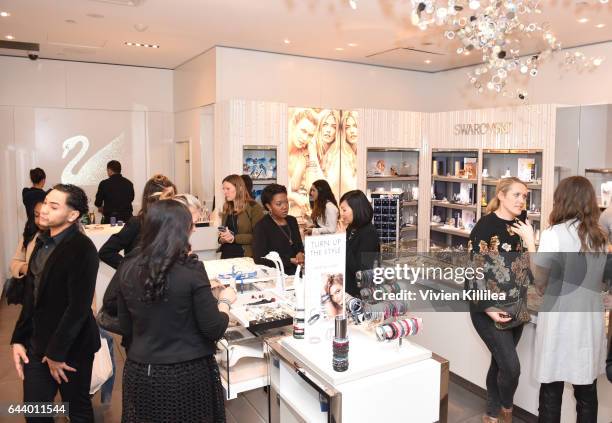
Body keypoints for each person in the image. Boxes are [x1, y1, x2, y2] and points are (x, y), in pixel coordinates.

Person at [115, 200, 236, 422]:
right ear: (182, 229)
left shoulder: (128, 267)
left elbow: (125, 324)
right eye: (191, 224)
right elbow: (214, 328)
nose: (194, 229)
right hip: (188, 375)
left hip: (141, 372)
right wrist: (225, 302)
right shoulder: (191, 270)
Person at [515, 176, 608, 422]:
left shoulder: (553, 234)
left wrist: (529, 243)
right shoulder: (599, 237)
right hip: (590, 320)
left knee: (551, 389)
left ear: (561, 200)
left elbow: (540, 281)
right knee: (586, 392)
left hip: (560, 320)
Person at [11, 184, 101, 423]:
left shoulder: (83, 248)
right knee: (36, 414)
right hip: (37, 345)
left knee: (77, 410)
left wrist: (56, 353)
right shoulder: (41, 242)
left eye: (53, 206)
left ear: (72, 215)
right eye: (45, 203)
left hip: (72, 348)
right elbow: (31, 298)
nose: (43, 210)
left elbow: (78, 308)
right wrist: (19, 338)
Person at [467, 177, 533, 423]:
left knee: (500, 364)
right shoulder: (485, 227)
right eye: (516, 195)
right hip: (488, 310)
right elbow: (473, 273)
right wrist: (489, 308)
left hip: (516, 307)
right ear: (502, 195)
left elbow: (532, 269)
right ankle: (506, 412)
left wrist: (530, 241)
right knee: (511, 367)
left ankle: (491, 415)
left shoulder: (521, 225)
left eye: (525, 196)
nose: (521, 200)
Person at [99, 174, 175, 269]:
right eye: (169, 198)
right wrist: (130, 270)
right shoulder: (137, 223)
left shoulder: (173, 223)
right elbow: (106, 252)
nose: (174, 204)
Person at [253, 184, 305, 275]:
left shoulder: (292, 220)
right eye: (279, 204)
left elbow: (298, 245)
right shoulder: (262, 226)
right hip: (276, 276)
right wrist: (288, 260)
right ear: (268, 206)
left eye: (286, 202)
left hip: (297, 273)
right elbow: (259, 259)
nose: (284, 207)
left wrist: (300, 253)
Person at [337, 190, 380, 297]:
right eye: (340, 210)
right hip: (346, 289)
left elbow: (360, 271)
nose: (341, 214)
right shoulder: (352, 228)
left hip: (360, 294)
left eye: (344, 210)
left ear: (356, 209)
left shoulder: (369, 233)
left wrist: (343, 241)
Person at [218, 174, 264, 259]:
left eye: (228, 189)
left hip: (245, 256)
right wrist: (222, 238)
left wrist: (234, 238)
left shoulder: (254, 207)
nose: (225, 192)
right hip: (226, 255)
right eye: (223, 189)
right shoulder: (226, 207)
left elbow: (258, 236)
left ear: (240, 188)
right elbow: (222, 232)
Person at [287, 109, 318, 217]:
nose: (305, 138)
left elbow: (311, 187)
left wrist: (312, 153)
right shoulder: (282, 150)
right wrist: (294, 196)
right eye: (303, 131)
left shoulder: (304, 154)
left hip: (296, 214)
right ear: (293, 125)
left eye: (310, 135)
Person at [10, 201, 46, 279]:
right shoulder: (30, 235)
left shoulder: (66, 238)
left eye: (44, 216)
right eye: (36, 215)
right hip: (30, 287)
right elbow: (14, 263)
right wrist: (27, 269)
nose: (39, 221)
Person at [314, 110, 341, 195]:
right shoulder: (311, 147)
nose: (328, 130)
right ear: (319, 127)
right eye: (325, 125)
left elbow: (322, 189)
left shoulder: (337, 156)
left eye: (333, 126)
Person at [340, 111, 358, 193]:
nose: (352, 131)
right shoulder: (343, 155)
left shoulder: (359, 154)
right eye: (347, 127)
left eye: (355, 126)